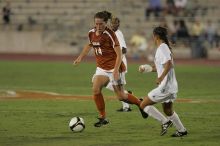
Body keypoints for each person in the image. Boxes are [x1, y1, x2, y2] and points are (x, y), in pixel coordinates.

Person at [73, 11, 148, 127]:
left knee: (121, 96)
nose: (98, 26)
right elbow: (89, 45)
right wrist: (80, 57)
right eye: (96, 24)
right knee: (96, 89)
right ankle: (103, 117)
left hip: (115, 67)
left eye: (101, 24)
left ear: (106, 23)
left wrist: (116, 71)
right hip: (102, 69)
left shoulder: (110, 35)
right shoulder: (91, 33)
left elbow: (119, 54)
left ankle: (140, 103)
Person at [139, 26, 188, 137]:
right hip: (171, 86)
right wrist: (147, 68)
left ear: (155, 36)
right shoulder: (163, 47)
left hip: (165, 86)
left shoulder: (162, 48)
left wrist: (161, 77)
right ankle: (182, 130)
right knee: (168, 110)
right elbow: (161, 66)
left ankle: (165, 122)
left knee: (143, 105)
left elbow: (168, 64)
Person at [106, 17, 132, 112]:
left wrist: (118, 58)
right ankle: (127, 94)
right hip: (114, 62)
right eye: (112, 23)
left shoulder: (118, 34)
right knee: (110, 83)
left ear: (118, 24)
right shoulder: (112, 33)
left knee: (118, 85)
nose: (113, 25)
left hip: (119, 63)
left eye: (115, 23)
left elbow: (124, 49)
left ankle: (126, 106)